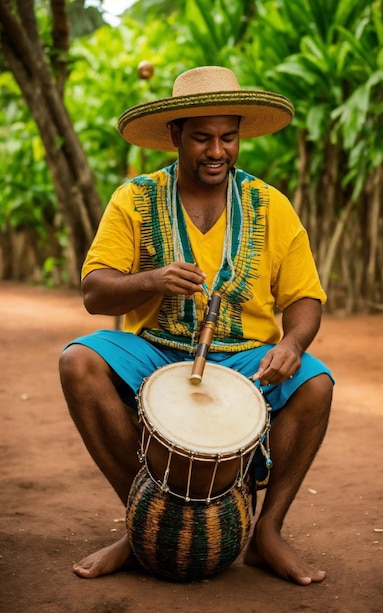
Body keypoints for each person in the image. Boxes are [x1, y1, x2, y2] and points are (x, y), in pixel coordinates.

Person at [59, 66, 334, 586]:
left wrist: (294, 343)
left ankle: (267, 533)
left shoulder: (271, 205)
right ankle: (143, 523)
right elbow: (94, 292)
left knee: (316, 384)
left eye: (228, 138)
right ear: (175, 134)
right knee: (79, 361)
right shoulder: (134, 198)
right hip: (155, 350)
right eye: (202, 137)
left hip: (247, 355)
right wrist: (153, 280)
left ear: (239, 137)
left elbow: (304, 299)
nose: (217, 151)